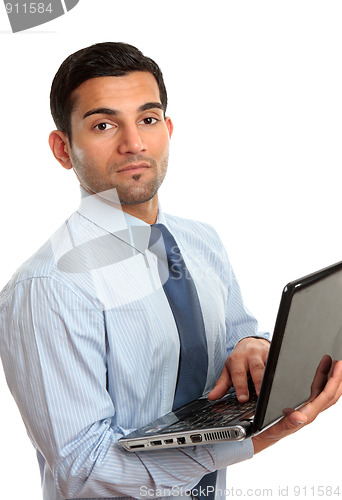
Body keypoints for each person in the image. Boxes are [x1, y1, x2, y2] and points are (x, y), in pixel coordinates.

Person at [0, 42, 341, 500]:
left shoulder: (202, 241)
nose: (134, 143)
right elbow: (83, 469)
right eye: (104, 124)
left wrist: (254, 349)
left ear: (168, 128)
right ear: (63, 149)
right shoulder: (48, 287)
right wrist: (261, 438)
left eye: (148, 119)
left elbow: (237, 340)